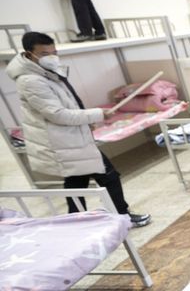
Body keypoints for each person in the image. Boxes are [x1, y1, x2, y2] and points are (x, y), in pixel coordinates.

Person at [7, 32, 151, 227]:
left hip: (71, 137)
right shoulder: (31, 81)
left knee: (77, 182)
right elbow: (58, 114)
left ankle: (76, 222)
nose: (51, 57)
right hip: (63, 140)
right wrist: (97, 114)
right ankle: (122, 216)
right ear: (28, 54)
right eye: (44, 53)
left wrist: (85, 120)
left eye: (54, 52)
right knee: (108, 176)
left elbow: (70, 101)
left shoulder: (47, 72)